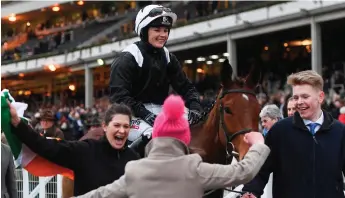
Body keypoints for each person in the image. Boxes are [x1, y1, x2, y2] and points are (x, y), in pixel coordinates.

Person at [74, 95, 270, 198]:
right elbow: (242, 172)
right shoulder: (194, 168)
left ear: (156, 134)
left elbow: (99, 195)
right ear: (185, 137)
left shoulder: (135, 171)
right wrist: (258, 144)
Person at [109, 5, 203, 147]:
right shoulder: (128, 58)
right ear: (144, 31)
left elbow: (186, 87)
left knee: (201, 128)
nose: (163, 35)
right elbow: (119, 97)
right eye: (157, 30)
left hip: (162, 111)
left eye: (166, 30)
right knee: (154, 137)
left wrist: (195, 107)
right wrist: (145, 114)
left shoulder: (168, 57)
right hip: (132, 115)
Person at [241, 70, 345, 198]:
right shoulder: (279, 131)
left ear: (321, 97)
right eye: (296, 97)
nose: (299, 102)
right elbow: (261, 169)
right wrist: (251, 191)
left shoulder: (339, 131)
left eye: (305, 97)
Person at [8, 102, 139, 196]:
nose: (122, 130)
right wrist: (18, 124)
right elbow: (46, 146)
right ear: (104, 126)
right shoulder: (86, 150)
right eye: (117, 125)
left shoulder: (134, 159)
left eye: (126, 126)